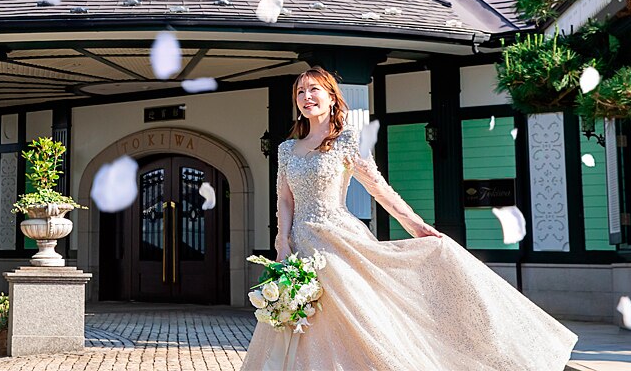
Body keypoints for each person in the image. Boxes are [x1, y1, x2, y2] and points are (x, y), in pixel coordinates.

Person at [241, 66, 578, 370]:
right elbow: (284, 200)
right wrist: (281, 241)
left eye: (314, 89)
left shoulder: (346, 142)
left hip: (337, 239)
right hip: (300, 242)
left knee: (357, 316)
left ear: (331, 98)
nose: (306, 97)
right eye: (300, 92)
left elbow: (379, 190)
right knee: (303, 318)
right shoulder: (287, 149)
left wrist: (416, 225)